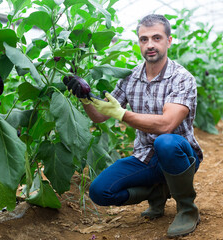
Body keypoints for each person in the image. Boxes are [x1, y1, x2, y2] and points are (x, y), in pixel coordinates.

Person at [64, 14, 203, 238]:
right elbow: (99, 116)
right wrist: (84, 98)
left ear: (168, 41)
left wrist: (122, 114)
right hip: (145, 157)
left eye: (156, 38)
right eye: (144, 39)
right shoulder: (130, 78)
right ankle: (158, 189)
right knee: (100, 192)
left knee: (165, 142)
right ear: (139, 42)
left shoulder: (181, 78)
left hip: (180, 155)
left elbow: (167, 125)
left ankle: (187, 209)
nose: (150, 44)